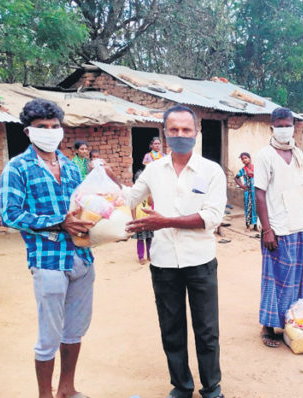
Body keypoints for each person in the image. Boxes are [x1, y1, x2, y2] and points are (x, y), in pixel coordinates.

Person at [111, 105, 226, 398]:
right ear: (164, 132)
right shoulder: (153, 170)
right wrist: (109, 182)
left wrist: (164, 221)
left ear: (196, 132)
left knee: (207, 330)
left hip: (199, 261)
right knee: (171, 329)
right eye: (173, 129)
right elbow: (129, 197)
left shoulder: (210, 171)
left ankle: (211, 386)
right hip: (163, 263)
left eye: (186, 129)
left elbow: (211, 217)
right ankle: (181, 386)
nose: (180, 135)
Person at [0, 98, 95, 398]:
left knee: (75, 330)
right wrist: (59, 223)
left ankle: (67, 388)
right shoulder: (17, 168)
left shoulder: (69, 166)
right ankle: (46, 394)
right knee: (49, 336)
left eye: (55, 126)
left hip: (81, 257)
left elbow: (82, 205)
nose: (50, 131)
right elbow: (10, 215)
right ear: (28, 132)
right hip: (48, 260)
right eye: (42, 127)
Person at [254, 107, 303, 348]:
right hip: (277, 228)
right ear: (272, 127)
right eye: (278, 125)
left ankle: (297, 321)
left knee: (300, 278)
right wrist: (267, 229)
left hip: (299, 225)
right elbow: (259, 194)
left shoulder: (299, 155)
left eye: (287, 124)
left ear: (294, 125)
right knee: (275, 278)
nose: (283, 129)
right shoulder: (264, 156)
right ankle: (268, 326)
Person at [131, 171, 154, 265]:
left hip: (148, 218)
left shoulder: (148, 191)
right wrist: (134, 219)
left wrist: (150, 193)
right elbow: (133, 207)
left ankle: (149, 255)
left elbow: (150, 203)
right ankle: (141, 257)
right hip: (139, 219)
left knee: (149, 238)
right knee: (140, 239)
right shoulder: (134, 192)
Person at [234, 152, 258, 231]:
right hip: (247, 192)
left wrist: (253, 173)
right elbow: (236, 178)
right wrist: (242, 186)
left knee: (256, 208)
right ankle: (248, 226)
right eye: (242, 159)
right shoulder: (242, 170)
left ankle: (255, 226)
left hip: (256, 192)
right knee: (248, 207)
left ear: (249, 158)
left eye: (245, 158)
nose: (244, 160)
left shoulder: (256, 168)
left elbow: (262, 176)